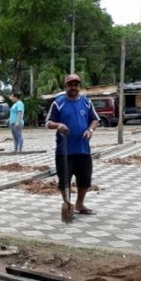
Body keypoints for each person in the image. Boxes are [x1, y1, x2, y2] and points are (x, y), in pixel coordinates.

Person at [45, 74, 99, 215]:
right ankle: (67, 205)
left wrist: (90, 130)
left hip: (83, 149)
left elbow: (95, 119)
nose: (73, 88)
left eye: (76, 85)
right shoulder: (58, 103)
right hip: (64, 150)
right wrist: (59, 125)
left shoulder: (86, 102)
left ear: (79, 87)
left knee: (85, 180)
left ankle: (79, 204)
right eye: (70, 85)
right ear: (66, 87)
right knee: (64, 181)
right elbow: (48, 122)